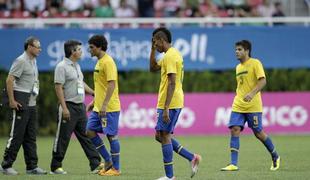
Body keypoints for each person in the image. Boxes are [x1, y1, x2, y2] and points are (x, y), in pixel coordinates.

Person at [150, 27, 201, 180]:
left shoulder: (171, 56)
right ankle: (192, 157)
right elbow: (152, 68)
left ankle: (170, 176)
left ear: (161, 40)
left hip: (170, 103)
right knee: (159, 135)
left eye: (155, 42)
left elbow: (172, 83)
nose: (155, 45)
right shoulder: (169, 55)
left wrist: (166, 108)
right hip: (169, 102)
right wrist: (152, 50)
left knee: (164, 136)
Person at [221, 40, 280, 171]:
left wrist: (252, 94)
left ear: (247, 51)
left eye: (240, 49)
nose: (236, 52)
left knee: (258, 133)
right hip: (238, 104)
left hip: (253, 105)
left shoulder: (255, 63)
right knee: (234, 129)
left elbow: (263, 81)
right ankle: (233, 164)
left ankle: (275, 155)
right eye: (236, 49)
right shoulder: (238, 67)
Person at [50, 40, 103, 174]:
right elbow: (58, 87)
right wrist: (64, 107)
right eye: (79, 49)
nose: (81, 51)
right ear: (72, 52)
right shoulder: (61, 66)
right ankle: (56, 166)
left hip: (80, 107)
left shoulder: (76, 66)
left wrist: (92, 92)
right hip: (68, 106)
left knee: (87, 135)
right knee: (63, 137)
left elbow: (80, 83)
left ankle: (95, 164)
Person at [0, 36, 47, 175]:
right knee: (17, 135)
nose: (40, 49)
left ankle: (32, 166)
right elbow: (9, 80)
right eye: (37, 46)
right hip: (21, 101)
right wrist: (12, 101)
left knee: (31, 136)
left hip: (31, 103)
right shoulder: (21, 60)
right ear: (29, 47)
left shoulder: (33, 60)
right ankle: (6, 165)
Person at [86, 35, 121, 176]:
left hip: (109, 107)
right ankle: (107, 160)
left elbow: (112, 84)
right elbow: (101, 86)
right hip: (98, 107)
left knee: (111, 136)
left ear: (99, 47)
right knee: (89, 131)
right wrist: (94, 102)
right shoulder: (99, 61)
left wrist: (105, 104)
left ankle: (116, 169)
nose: (89, 50)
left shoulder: (108, 62)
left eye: (91, 47)